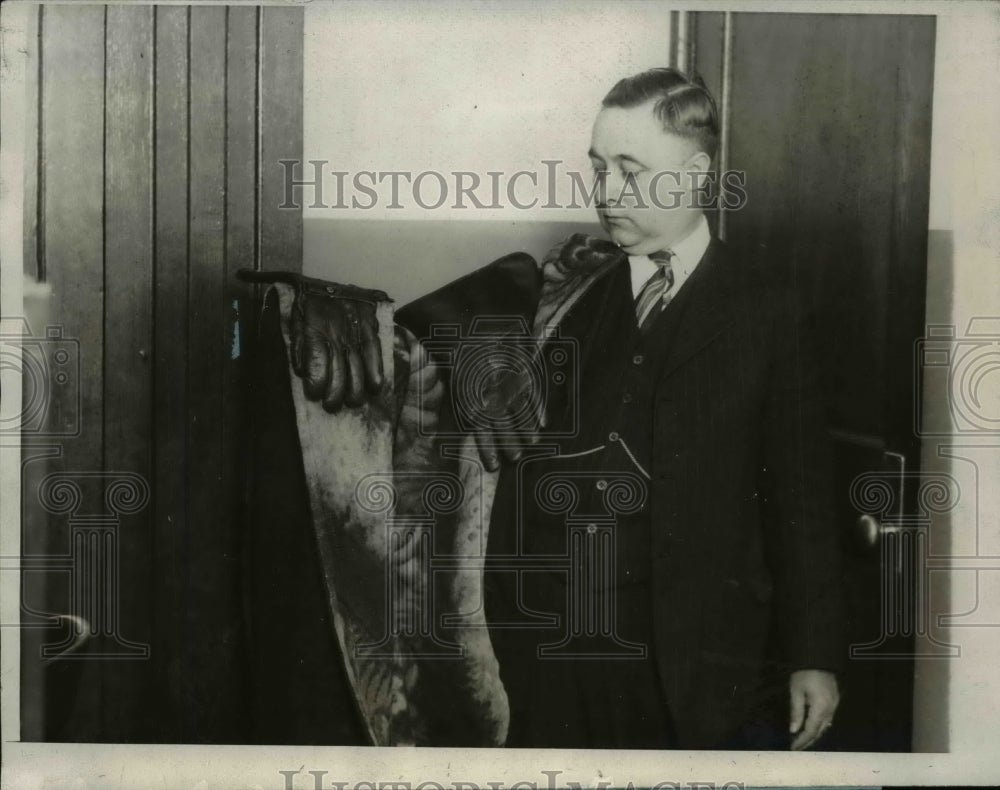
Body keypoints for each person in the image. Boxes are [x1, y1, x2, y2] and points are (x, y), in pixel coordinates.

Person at [252, 67, 845, 751]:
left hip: (699, 666)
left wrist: (816, 654)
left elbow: (805, 505)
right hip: (550, 661)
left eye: (631, 169)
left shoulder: (768, 311)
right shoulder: (566, 295)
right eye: (598, 168)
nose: (607, 193)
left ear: (694, 173)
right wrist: (322, 305)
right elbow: (411, 341)